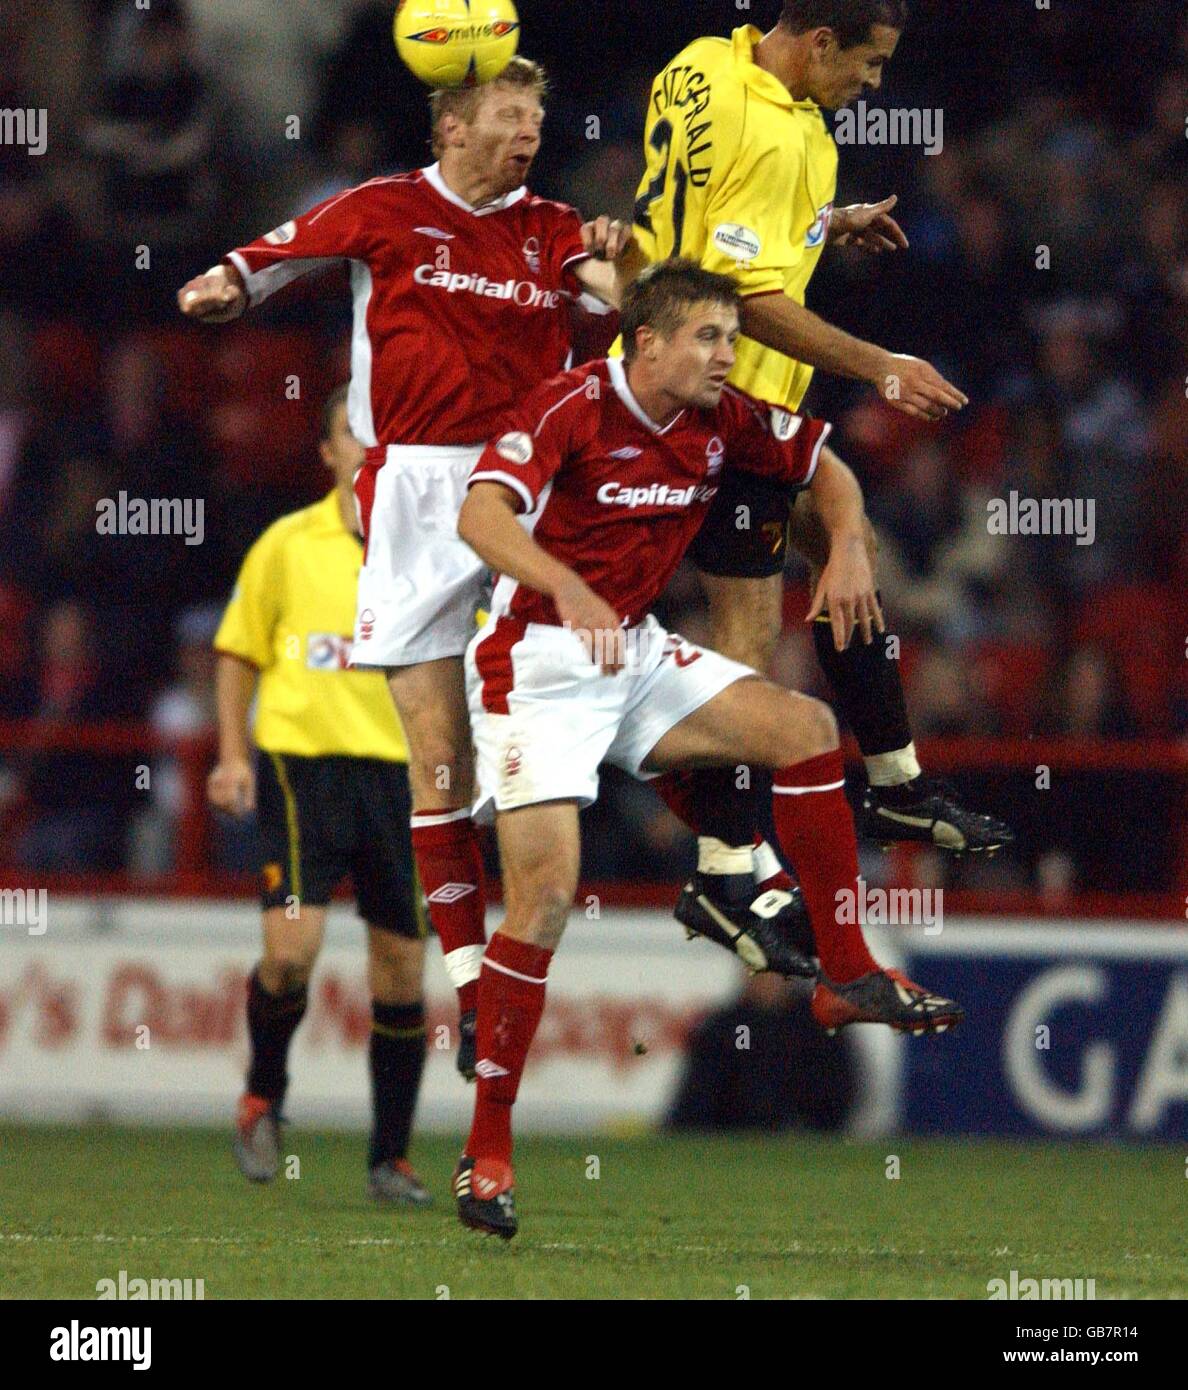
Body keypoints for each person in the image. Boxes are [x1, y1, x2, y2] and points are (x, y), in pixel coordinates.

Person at [452, 261, 962, 1239]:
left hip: (632, 653)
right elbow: (480, 515)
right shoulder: (572, 402)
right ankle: (488, 1153)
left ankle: (846, 978)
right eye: (706, 338)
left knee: (806, 728)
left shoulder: (723, 416)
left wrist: (847, 542)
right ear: (646, 342)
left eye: (732, 337)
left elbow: (826, 467)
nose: (726, 354)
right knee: (547, 897)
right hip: (536, 663)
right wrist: (566, 585)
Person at [178, 58, 638, 1081]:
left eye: (535, 120)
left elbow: (623, 299)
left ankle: (550, 924)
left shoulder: (553, 226)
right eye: (509, 119)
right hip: (415, 499)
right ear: (453, 128)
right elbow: (276, 253)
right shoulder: (386, 209)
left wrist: (625, 256)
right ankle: (476, 990)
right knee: (438, 754)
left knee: (520, 747)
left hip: (525, 484)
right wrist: (225, 284)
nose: (527, 136)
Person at [627, 0, 1011, 975]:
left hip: (690, 385)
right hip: (720, 407)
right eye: (870, 68)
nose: (873, 90)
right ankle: (728, 868)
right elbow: (744, 300)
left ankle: (886, 783)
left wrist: (825, 224)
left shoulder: (704, 65)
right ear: (822, 43)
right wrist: (882, 363)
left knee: (847, 548)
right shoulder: (774, 128)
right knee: (746, 673)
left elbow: (711, 219)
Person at [209, 385, 431, 1207]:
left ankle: (391, 1159)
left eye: (381, 434)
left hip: (401, 777)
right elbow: (236, 653)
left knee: (402, 971)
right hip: (301, 766)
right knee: (292, 952)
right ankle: (264, 1091)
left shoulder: (427, 547)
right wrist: (232, 754)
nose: (368, 448)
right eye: (353, 434)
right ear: (330, 453)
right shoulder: (286, 545)